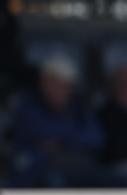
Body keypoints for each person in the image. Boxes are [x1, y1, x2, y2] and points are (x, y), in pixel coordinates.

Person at [8, 55, 105, 187]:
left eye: (65, 85)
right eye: (55, 83)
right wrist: (69, 137)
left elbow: (95, 138)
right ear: (44, 83)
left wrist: (63, 142)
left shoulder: (79, 107)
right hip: (36, 168)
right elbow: (36, 133)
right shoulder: (28, 106)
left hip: (72, 165)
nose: (60, 89)